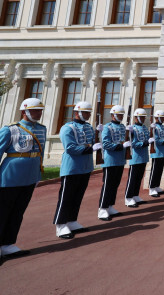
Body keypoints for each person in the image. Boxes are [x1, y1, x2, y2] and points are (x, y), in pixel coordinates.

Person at [0, 98, 46, 263]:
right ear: (24, 111)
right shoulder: (10, 130)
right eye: (35, 110)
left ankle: (8, 244)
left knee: (18, 212)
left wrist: (37, 175)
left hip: (29, 176)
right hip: (10, 177)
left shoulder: (41, 129)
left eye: (40, 110)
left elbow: (40, 153)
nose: (39, 113)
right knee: (3, 212)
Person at [53, 101, 98, 239]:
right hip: (72, 167)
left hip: (85, 166)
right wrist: (89, 148)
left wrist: (99, 134)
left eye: (89, 112)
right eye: (85, 112)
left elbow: (93, 142)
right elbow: (70, 148)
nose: (88, 114)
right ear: (77, 112)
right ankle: (60, 224)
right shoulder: (67, 128)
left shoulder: (90, 127)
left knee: (78, 195)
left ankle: (72, 221)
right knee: (66, 197)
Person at [98, 105, 129, 221]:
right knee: (108, 185)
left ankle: (110, 206)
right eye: (119, 114)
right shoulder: (107, 127)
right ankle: (102, 208)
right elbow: (105, 144)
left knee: (115, 184)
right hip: (110, 160)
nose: (120, 116)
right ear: (112, 115)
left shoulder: (122, 127)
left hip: (120, 160)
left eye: (122, 115)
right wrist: (121, 146)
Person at [125, 108, 150, 207]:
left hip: (143, 156)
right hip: (135, 157)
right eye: (141, 117)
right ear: (136, 117)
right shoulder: (132, 129)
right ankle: (128, 197)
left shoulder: (144, 128)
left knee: (139, 177)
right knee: (133, 178)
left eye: (144, 117)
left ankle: (135, 195)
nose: (143, 119)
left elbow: (148, 138)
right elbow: (133, 143)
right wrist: (144, 143)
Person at [149, 110, 164, 197]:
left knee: (159, 170)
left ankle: (156, 185)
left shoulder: (163, 127)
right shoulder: (154, 127)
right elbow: (156, 140)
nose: (163, 119)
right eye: (162, 117)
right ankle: (151, 188)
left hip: (163, 152)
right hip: (156, 152)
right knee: (154, 171)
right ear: (158, 118)